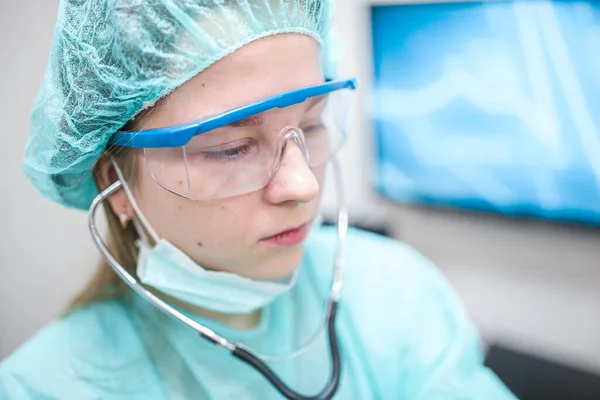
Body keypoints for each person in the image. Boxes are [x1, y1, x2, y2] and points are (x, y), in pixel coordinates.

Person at [0, 1, 517, 399]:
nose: (303, 186)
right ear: (117, 181)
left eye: (312, 124)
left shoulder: (398, 295)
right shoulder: (42, 387)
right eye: (231, 149)